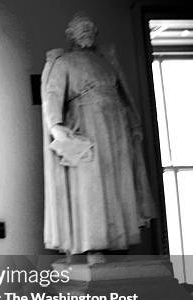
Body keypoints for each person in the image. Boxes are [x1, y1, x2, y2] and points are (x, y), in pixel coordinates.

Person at [41, 13, 156, 263]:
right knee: (90, 188)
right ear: (70, 34)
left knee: (117, 183)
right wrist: (56, 126)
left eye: (91, 28)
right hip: (86, 128)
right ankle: (93, 245)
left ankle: (118, 240)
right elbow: (52, 95)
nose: (87, 32)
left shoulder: (106, 62)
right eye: (81, 28)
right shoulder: (64, 62)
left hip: (115, 131)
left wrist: (130, 123)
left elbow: (122, 96)